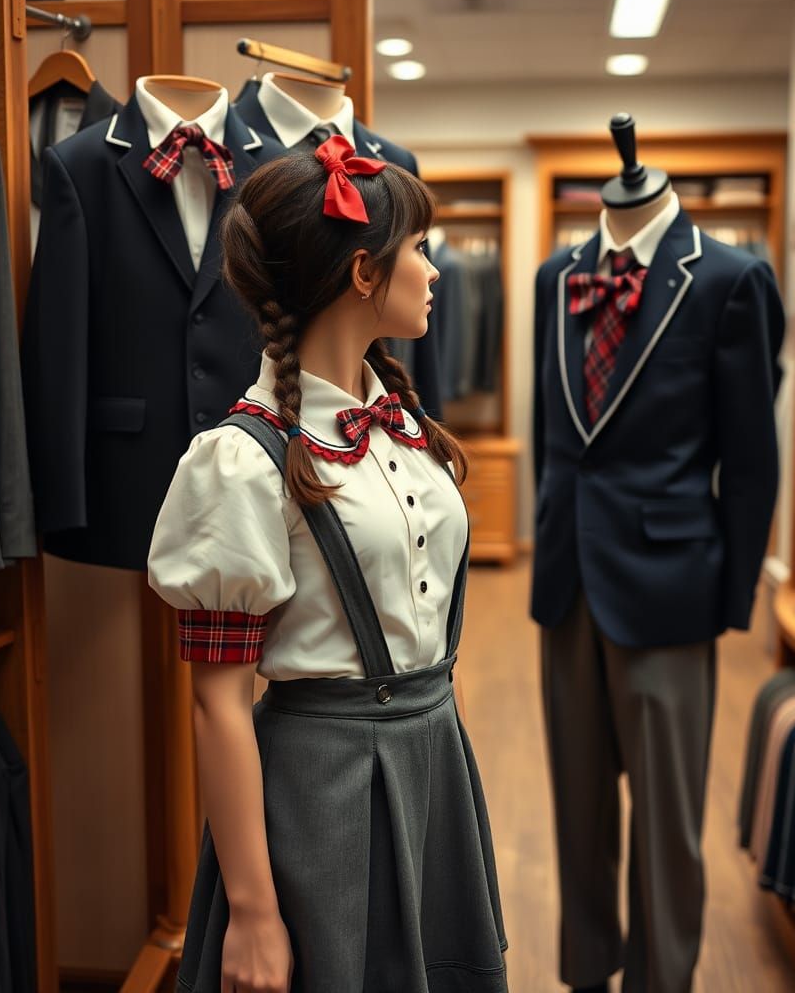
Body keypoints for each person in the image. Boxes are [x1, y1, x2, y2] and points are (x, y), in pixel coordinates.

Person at [147, 136, 507, 993]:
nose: (435, 271)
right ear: (362, 274)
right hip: (322, 793)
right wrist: (254, 912)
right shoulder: (240, 460)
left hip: (435, 766)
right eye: (418, 249)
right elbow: (216, 702)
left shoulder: (405, 422)